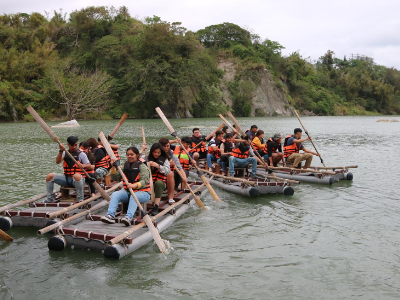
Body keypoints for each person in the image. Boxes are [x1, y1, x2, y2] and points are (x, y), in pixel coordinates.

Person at [101, 146, 151, 226]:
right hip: (128, 192)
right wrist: (113, 168)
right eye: (128, 155)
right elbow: (116, 178)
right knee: (115, 194)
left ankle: (128, 217)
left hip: (143, 193)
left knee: (134, 196)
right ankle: (110, 215)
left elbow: (144, 181)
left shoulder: (142, 166)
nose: (129, 156)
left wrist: (134, 185)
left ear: (137, 155)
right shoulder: (126, 165)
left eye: (132, 154)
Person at [45, 136, 90, 203]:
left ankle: (80, 199)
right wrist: (60, 151)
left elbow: (89, 165)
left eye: (75, 145)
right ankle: (50, 198)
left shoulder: (81, 154)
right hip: (66, 179)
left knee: (77, 176)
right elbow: (57, 161)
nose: (74, 147)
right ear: (68, 144)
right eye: (72, 145)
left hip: (78, 180)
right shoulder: (64, 152)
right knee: (49, 176)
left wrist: (83, 166)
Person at [159, 137, 187, 204]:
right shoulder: (156, 153)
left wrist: (184, 177)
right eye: (164, 146)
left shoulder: (172, 156)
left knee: (172, 173)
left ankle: (170, 196)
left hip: (168, 175)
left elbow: (179, 168)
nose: (166, 148)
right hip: (158, 174)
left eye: (167, 146)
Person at [147, 143, 171, 215]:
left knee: (158, 183)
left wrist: (158, 166)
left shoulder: (165, 160)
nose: (156, 154)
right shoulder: (146, 157)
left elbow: (168, 171)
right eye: (154, 152)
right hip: (148, 182)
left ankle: (156, 206)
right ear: (151, 152)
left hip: (159, 183)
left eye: (158, 153)